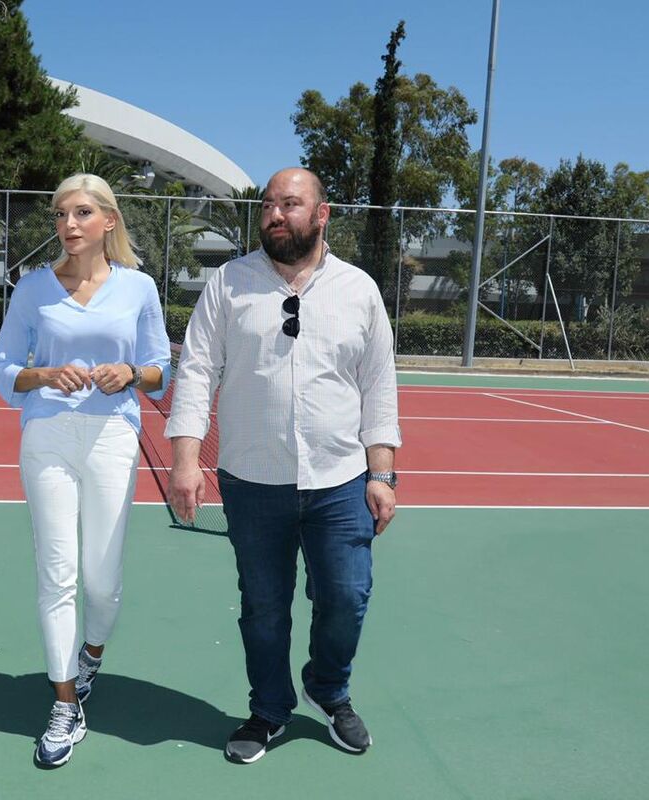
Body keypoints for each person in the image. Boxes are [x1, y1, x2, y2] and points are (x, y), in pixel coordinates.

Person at [166, 168, 401, 763]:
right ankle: (269, 709)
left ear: (321, 214)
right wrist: (185, 462)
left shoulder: (358, 289)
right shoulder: (228, 283)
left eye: (290, 204)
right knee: (264, 608)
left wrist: (381, 473)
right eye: (269, 204)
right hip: (252, 482)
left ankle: (328, 687)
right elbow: (196, 373)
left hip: (340, 480)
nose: (274, 214)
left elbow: (379, 386)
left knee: (346, 597)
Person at [0, 173, 171, 768]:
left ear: (108, 221)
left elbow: (160, 369)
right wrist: (44, 374)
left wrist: (131, 373)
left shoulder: (139, 287)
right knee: (57, 573)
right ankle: (64, 702)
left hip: (113, 436)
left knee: (101, 580)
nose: (68, 224)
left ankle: (90, 653)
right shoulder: (32, 289)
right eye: (61, 214)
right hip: (47, 434)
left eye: (82, 213)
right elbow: (3, 367)